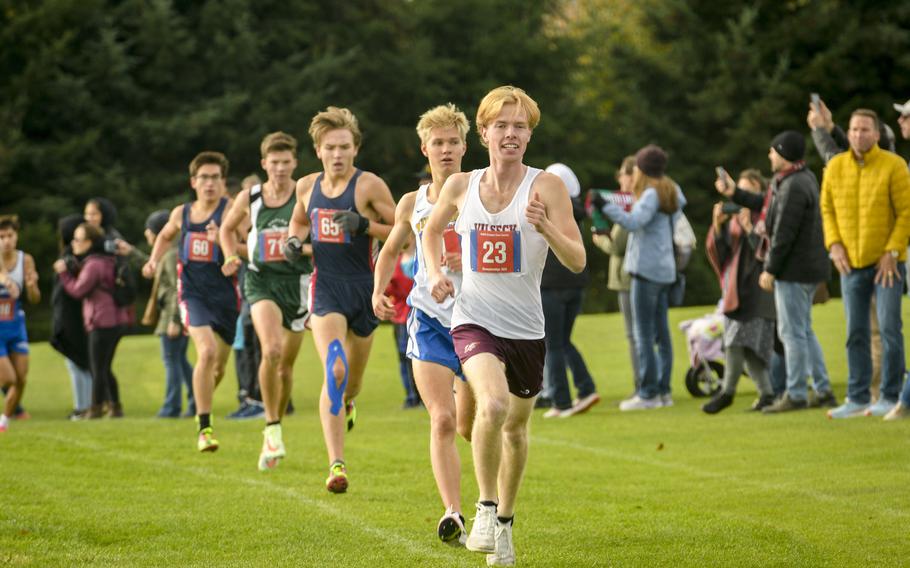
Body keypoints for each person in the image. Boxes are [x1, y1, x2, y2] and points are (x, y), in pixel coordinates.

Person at [422, 87, 585, 566]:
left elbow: (576, 260)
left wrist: (547, 227)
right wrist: (434, 274)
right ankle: (485, 509)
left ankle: (506, 524)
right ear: (485, 132)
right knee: (490, 405)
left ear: (529, 135)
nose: (510, 134)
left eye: (519, 127)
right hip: (474, 319)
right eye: (501, 126)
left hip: (527, 330)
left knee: (515, 429)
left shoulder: (547, 188)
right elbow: (430, 232)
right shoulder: (461, 186)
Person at [372, 102, 476, 545]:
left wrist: (465, 260)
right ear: (424, 148)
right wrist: (378, 289)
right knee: (442, 421)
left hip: (477, 321)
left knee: (474, 426)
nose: (447, 149)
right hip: (429, 321)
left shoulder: (481, 193)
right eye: (438, 143)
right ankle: (452, 511)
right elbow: (393, 247)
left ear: (466, 146)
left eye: (454, 142)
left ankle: (487, 500)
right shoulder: (413, 201)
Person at [285, 107, 396, 492]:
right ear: (318, 150)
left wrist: (365, 226)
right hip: (326, 287)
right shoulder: (306, 186)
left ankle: (349, 402)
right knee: (334, 369)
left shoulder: (369, 186)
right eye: (330, 147)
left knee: (352, 382)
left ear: (355, 148)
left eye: (345, 147)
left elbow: (404, 231)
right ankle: (336, 464)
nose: (338, 154)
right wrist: (293, 241)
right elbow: (299, 220)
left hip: (364, 287)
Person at [717, 131, 834, 413]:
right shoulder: (794, 179)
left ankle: (795, 393)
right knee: (803, 331)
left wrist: (769, 269)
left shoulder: (793, 185)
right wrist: (735, 193)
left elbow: (784, 233)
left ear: (783, 153)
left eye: (773, 151)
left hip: (794, 271)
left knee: (792, 333)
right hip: (803, 269)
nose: (769, 155)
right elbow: (764, 205)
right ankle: (823, 389)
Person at [220, 131, 313, 471]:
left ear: (295, 163)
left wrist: (299, 249)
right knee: (270, 349)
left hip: (297, 283)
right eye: (274, 163)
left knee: (286, 366)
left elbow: (321, 242)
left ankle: (276, 422)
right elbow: (225, 229)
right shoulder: (250, 196)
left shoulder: (305, 194)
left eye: (286, 162)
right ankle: (271, 428)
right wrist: (231, 255)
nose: (280, 169)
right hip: (260, 281)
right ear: (264, 164)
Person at [142, 151, 239, 451]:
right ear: (193, 182)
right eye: (204, 178)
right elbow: (165, 236)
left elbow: (249, 244)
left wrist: (227, 247)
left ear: (223, 182)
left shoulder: (232, 210)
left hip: (225, 298)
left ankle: (201, 403)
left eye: (215, 178)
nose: (209, 184)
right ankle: (204, 427)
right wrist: (153, 261)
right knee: (206, 352)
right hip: (192, 295)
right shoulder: (181, 213)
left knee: (218, 369)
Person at [821, 110, 910, 419]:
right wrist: (834, 245)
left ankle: (890, 395)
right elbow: (827, 208)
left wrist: (893, 252)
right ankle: (857, 397)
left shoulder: (894, 165)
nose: (859, 135)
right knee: (855, 332)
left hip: (887, 262)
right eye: (854, 129)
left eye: (865, 130)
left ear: (876, 134)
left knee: (889, 329)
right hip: (850, 263)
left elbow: (905, 213)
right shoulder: (835, 166)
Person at [597, 144, 686, 411]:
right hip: (664, 269)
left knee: (643, 333)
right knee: (661, 332)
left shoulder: (650, 194)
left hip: (646, 270)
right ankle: (664, 391)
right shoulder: (672, 190)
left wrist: (606, 206)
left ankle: (647, 393)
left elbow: (634, 222)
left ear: (642, 169)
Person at [702, 170, 776, 413]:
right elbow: (721, 254)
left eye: (746, 191)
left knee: (736, 342)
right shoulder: (735, 219)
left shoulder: (766, 213)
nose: (741, 198)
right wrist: (717, 225)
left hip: (759, 290)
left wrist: (749, 229)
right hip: (737, 291)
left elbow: (767, 252)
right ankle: (766, 394)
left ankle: (727, 393)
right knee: (747, 348)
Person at [540, 163, 600, 418]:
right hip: (576, 283)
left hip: (550, 283)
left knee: (552, 344)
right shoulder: (578, 211)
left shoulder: (546, 211)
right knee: (563, 341)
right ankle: (586, 388)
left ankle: (561, 401)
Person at [56, 222, 133, 419]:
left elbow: (78, 290)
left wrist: (63, 273)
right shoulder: (106, 260)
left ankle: (96, 409)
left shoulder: (93, 264)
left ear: (89, 242)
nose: (73, 243)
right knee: (105, 367)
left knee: (97, 367)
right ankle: (115, 407)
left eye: (78, 239)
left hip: (102, 320)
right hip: (115, 318)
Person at [592, 156, 639, 400]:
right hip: (635, 277)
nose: (620, 179)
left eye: (623, 174)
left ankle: (642, 385)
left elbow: (616, 246)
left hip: (627, 278)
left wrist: (598, 238)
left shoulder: (632, 205)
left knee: (635, 335)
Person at [141, 210, 195, 418]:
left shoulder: (171, 255)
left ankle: (171, 407)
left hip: (172, 319)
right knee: (179, 360)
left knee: (172, 359)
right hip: (173, 317)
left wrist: (175, 320)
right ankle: (194, 401)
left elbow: (177, 289)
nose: (146, 234)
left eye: (149, 230)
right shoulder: (169, 253)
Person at [50, 214, 93, 420]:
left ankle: (82, 407)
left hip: (71, 317)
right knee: (82, 363)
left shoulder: (70, 257)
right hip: (79, 316)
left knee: (76, 363)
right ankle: (86, 406)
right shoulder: (79, 255)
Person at [0, 216, 40, 433]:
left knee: (21, 379)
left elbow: (34, 299)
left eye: (10, 236)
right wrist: (4, 280)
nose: (6, 241)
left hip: (16, 325)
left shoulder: (26, 260)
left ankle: (4, 421)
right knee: (7, 378)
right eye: (1, 237)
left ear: (16, 236)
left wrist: (32, 286)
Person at [384, 247, 420, 409]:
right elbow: (386, 289)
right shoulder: (394, 259)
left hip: (421, 314)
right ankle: (411, 396)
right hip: (401, 316)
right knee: (404, 356)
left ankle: (421, 396)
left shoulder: (423, 253)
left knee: (419, 356)